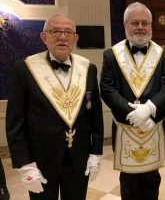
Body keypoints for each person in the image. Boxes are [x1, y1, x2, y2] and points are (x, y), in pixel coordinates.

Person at [6, 14, 104, 200]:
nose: (62, 37)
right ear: (44, 37)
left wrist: (96, 153)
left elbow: (95, 116)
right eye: (55, 31)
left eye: (68, 32)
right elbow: (14, 123)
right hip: (40, 162)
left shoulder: (88, 68)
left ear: (75, 38)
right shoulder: (25, 69)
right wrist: (24, 164)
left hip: (78, 159)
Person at [100, 2, 165, 200]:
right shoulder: (111, 54)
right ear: (125, 25)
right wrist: (135, 115)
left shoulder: (164, 54)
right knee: (128, 181)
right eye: (135, 22)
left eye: (145, 23)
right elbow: (107, 89)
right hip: (125, 127)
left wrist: (150, 109)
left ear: (151, 26)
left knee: (152, 179)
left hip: (154, 126)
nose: (140, 27)